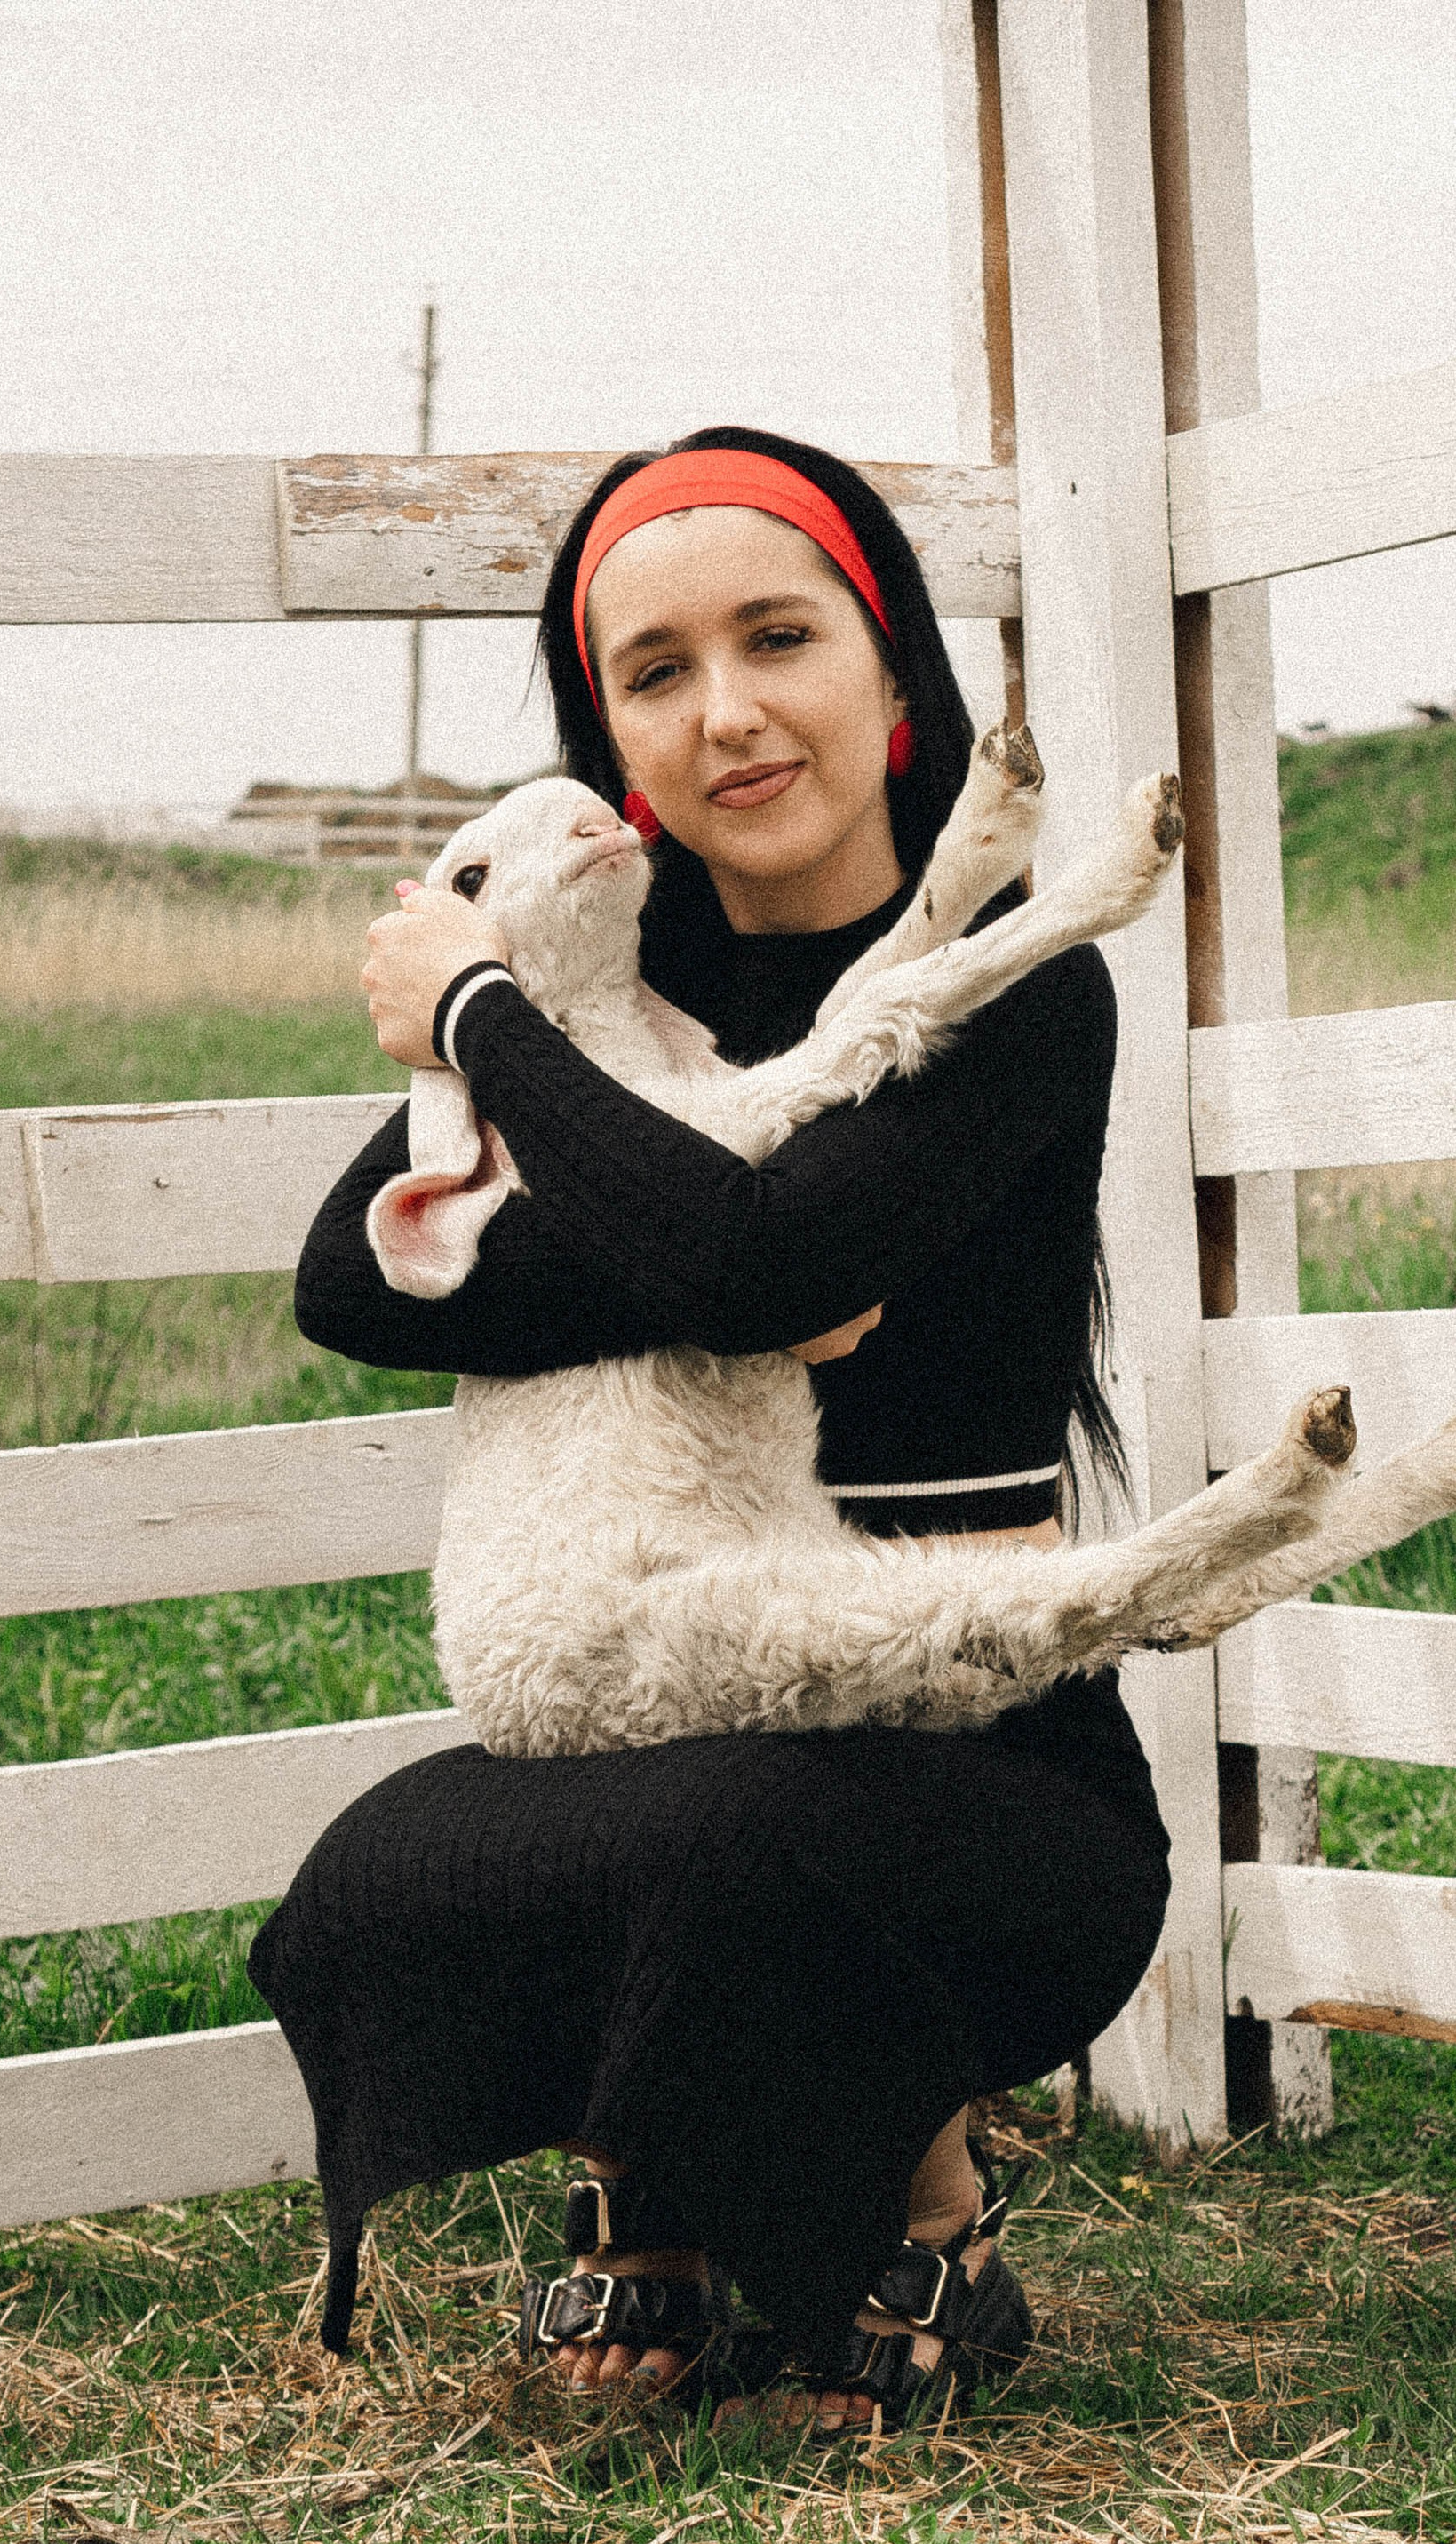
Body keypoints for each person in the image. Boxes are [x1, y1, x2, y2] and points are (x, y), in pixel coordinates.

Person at [247, 427, 1172, 2436]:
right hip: (689, 1688)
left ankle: (926, 2218)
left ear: (891, 670)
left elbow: (743, 1271)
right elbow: (351, 1274)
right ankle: (646, 2179)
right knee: (392, 1866)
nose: (726, 711)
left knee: (751, 1833)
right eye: (654, 673)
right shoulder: (615, 985)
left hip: (976, 1735)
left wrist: (482, 1022)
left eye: (779, 638)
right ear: (608, 735)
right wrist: (700, 1235)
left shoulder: (1014, 982)